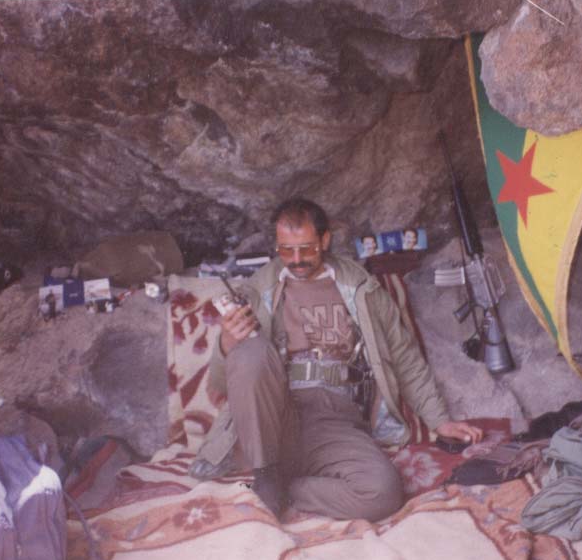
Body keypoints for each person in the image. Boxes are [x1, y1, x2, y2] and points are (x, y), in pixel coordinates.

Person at [199, 198, 482, 522]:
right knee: (250, 350)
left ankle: (285, 489)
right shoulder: (258, 289)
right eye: (286, 250)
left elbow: (405, 357)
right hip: (275, 421)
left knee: (382, 493)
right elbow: (221, 385)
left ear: (325, 240)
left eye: (306, 249)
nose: (296, 260)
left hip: (335, 423)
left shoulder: (361, 288)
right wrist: (227, 343)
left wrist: (439, 420)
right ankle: (266, 475)